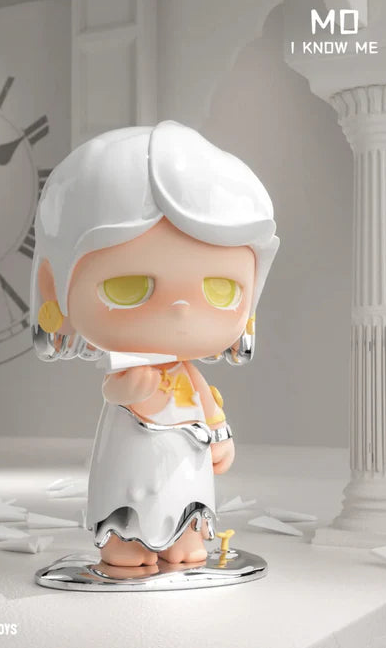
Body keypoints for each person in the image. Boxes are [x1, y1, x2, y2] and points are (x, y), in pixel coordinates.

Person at [31, 121, 279, 567]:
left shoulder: (188, 373)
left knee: (186, 496)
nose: (181, 310)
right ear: (55, 286)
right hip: (132, 453)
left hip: (188, 452)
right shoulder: (127, 369)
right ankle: (126, 541)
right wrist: (128, 389)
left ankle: (185, 536)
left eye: (221, 290)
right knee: (129, 494)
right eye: (128, 287)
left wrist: (220, 436)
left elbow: (208, 405)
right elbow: (116, 391)